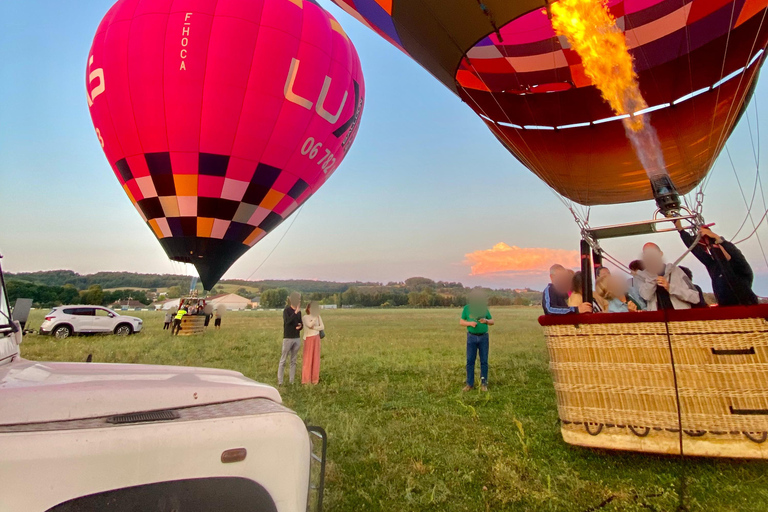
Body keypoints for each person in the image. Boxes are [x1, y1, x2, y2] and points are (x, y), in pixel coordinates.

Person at [678, 224, 758, 306]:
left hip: (747, 309)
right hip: (726, 312)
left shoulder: (741, 267)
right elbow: (695, 250)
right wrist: (680, 229)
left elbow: (735, 254)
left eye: (716, 246)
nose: (714, 249)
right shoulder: (713, 265)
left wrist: (717, 238)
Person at [637, 243, 700, 311]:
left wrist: (670, 287)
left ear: (660, 254)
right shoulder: (642, 275)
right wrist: (652, 277)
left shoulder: (676, 271)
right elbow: (646, 296)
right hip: (658, 319)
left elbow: (695, 297)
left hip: (680, 318)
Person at [459, 290, 494, 392]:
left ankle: (484, 384)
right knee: (470, 361)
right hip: (471, 337)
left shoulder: (484, 308)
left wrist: (486, 321)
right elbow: (461, 321)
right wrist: (470, 324)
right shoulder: (467, 308)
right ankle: (469, 384)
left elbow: (492, 321)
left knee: (484, 361)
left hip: (484, 337)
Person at [278, 292, 303, 385]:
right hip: (288, 338)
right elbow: (287, 322)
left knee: (293, 361)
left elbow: (301, 323)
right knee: (283, 360)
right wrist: (295, 312)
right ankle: (280, 381)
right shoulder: (286, 310)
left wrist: (300, 326)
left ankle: (291, 381)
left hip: (297, 338)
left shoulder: (299, 312)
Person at [301, 301, 325, 385]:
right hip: (308, 338)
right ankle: (306, 380)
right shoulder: (305, 317)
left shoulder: (319, 317)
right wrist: (315, 319)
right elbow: (309, 325)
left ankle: (315, 379)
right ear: (308, 309)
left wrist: (314, 327)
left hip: (316, 338)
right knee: (308, 359)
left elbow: (322, 326)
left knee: (316, 359)